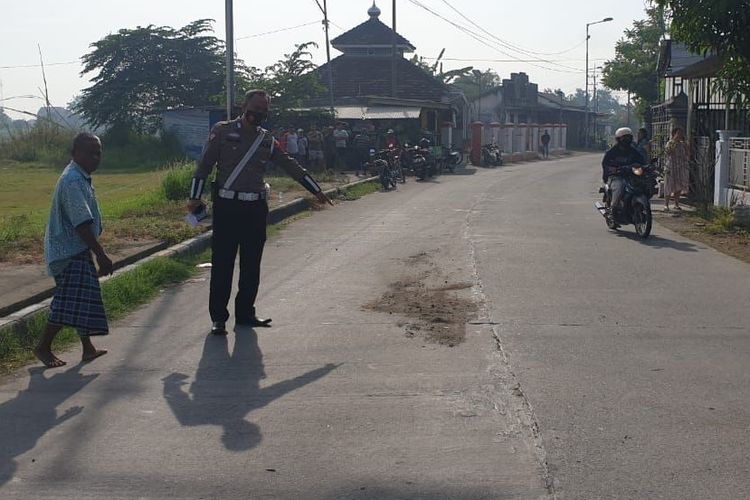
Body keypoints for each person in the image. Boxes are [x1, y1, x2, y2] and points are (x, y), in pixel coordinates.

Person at [187, 90, 333, 335]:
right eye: (255, 107)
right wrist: (194, 197)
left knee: (251, 264)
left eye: (264, 110)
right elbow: (204, 166)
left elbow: (290, 165)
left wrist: (315, 189)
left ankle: (245, 313)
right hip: (227, 206)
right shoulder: (223, 131)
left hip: (255, 208)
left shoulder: (266, 140)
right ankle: (219, 319)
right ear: (244, 105)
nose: (259, 113)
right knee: (223, 264)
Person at [34, 133, 112, 368]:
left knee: (82, 298)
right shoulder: (72, 181)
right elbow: (81, 224)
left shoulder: (80, 176)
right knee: (69, 301)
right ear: (75, 153)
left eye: (98, 152)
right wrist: (101, 254)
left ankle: (87, 348)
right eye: (90, 152)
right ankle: (43, 347)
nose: (95, 157)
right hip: (67, 251)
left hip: (75, 248)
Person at [601, 127, 645, 223]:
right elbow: (605, 164)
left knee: (642, 185)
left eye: (629, 137)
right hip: (616, 176)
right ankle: (613, 210)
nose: (627, 139)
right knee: (620, 187)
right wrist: (612, 169)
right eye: (624, 137)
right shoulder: (612, 152)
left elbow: (641, 160)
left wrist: (645, 166)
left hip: (631, 175)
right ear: (619, 139)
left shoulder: (633, 151)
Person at [663, 127, 689, 212]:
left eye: (681, 133)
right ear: (674, 134)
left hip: (680, 167)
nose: (680, 135)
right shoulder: (670, 143)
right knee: (669, 185)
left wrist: (686, 146)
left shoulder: (683, 144)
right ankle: (666, 205)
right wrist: (673, 145)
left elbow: (688, 154)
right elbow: (668, 153)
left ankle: (676, 203)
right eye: (678, 133)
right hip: (671, 166)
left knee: (678, 186)